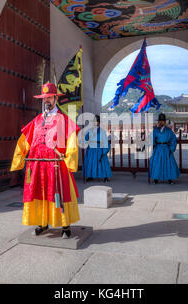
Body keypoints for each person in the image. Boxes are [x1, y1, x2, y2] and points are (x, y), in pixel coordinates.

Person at [10, 83, 80, 239]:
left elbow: (72, 141)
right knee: (39, 192)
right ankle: (42, 223)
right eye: (44, 98)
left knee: (59, 193)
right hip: (37, 164)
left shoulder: (63, 120)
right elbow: (24, 140)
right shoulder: (37, 120)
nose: (46, 100)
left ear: (56, 98)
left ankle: (65, 225)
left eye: (49, 97)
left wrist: (69, 159)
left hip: (56, 164)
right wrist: (19, 160)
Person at [149, 113, 180, 184]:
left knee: (168, 163)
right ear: (158, 122)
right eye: (160, 121)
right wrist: (152, 142)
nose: (161, 122)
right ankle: (156, 178)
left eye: (162, 121)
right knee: (157, 163)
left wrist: (171, 148)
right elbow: (151, 138)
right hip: (158, 148)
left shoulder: (169, 130)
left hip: (166, 148)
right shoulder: (155, 130)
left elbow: (173, 139)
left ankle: (170, 179)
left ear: (165, 122)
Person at [83, 115, 112, 183]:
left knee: (102, 163)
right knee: (90, 163)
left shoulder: (102, 131)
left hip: (99, 149)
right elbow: (86, 138)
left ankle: (105, 176)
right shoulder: (90, 130)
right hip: (91, 149)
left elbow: (105, 141)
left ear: (98, 122)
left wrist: (104, 151)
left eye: (96, 121)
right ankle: (90, 176)